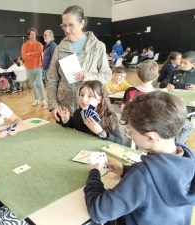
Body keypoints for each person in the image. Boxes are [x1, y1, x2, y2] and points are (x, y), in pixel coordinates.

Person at [84, 91, 195, 225]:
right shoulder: (189, 159)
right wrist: (126, 170)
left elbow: (99, 211)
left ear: (150, 137)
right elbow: (166, 177)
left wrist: (93, 175)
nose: (129, 135)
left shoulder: (142, 174)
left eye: (130, 132)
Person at [47, 5, 112, 121]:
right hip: (65, 109)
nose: (67, 30)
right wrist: (53, 105)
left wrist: (90, 76)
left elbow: (107, 75)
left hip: (90, 107)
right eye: (64, 25)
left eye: (71, 25)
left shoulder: (98, 46)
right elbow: (52, 79)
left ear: (82, 23)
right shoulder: (59, 48)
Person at [58, 81, 123, 144]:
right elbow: (71, 124)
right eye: (82, 95)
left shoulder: (109, 116)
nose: (83, 99)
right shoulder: (78, 113)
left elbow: (119, 141)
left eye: (90, 96)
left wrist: (101, 132)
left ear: (100, 100)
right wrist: (65, 120)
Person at [21, 28, 48, 108]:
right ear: (29, 36)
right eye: (31, 34)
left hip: (38, 67)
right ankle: (36, 99)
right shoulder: (24, 45)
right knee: (33, 84)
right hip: (29, 68)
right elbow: (24, 56)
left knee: (40, 83)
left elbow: (39, 53)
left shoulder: (39, 44)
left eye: (34, 34)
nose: (33, 36)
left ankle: (43, 99)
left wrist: (30, 54)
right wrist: (33, 56)